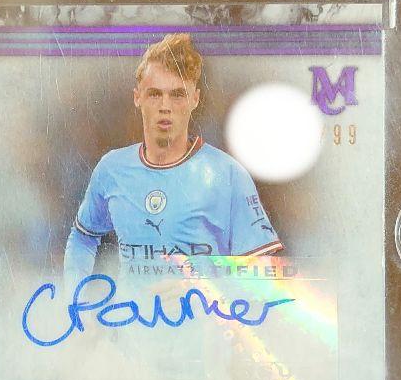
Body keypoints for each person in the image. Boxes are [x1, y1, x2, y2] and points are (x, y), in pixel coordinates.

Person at [64, 33, 282, 282]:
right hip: (130, 310)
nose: (165, 106)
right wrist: (75, 296)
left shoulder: (228, 174)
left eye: (177, 94)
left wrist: (200, 287)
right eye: (155, 94)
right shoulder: (112, 168)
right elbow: (82, 238)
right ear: (137, 97)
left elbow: (264, 270)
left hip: (199, 309)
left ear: (194, 99)